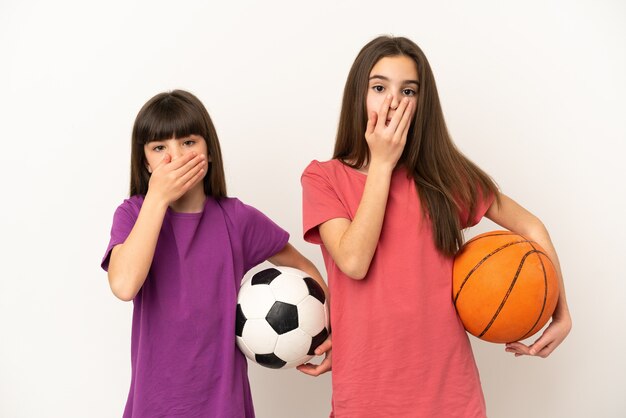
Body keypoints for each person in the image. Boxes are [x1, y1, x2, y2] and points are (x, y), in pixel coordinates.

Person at [301, 36, 571, 418]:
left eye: (407, 91)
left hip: (451, 399)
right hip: (364, 396)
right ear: (357, 96)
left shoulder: (443, 178)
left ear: (421, 104)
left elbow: (531, 226)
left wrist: (561, 312)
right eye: (379, 87)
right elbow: (354, 260)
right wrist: (382, 164)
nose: (393, 102)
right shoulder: (323, 178)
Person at [101, 89, 329, 417]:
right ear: (146, 163)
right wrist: (157, 199)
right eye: (159, 147)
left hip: (224, 406)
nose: (175, 156)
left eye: (189, 142)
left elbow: (303, 267)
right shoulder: (133, 214)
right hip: (155, 405)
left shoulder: (236, 219)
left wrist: (323, 330)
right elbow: (124, 285)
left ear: (209, 153)